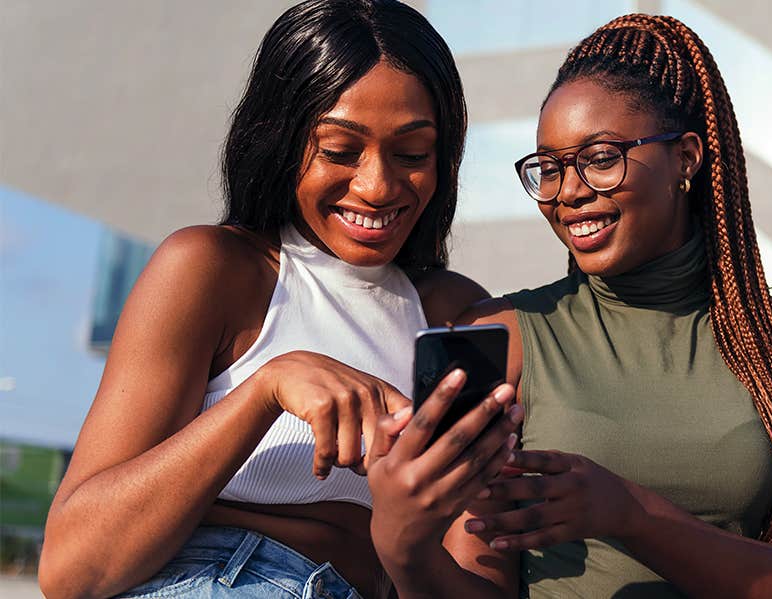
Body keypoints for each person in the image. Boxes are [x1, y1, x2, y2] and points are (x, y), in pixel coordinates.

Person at [37, 1, 522, 597]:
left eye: (412, 154)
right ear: (280, 141)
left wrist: (411, 528)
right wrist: (266, 389)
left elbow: (479, 579)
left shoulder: (458, 316)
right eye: (340, 150)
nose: (378, 187)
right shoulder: (213, 270)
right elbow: (72, 568)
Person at [367, 13, 772, 599]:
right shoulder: (505, 336)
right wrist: (403, 548)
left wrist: (631, 516)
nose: (567, 192)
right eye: (548, 167)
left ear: (686, 159)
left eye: (599, 158)